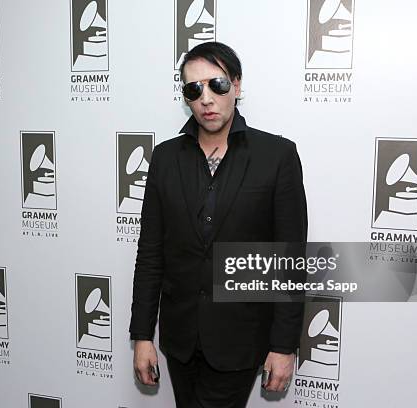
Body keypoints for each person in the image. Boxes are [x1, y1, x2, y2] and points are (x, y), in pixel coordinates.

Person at [129, 41, 308, 408]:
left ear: (237, 86)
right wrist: (143, 335)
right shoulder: (165, 158)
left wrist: (283, 345)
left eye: (217, 85)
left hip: (240, 341)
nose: (206, 98)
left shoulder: (276, 156)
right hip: (180, 341)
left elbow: (289, 261)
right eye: (194, 89)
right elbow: (151, 253)